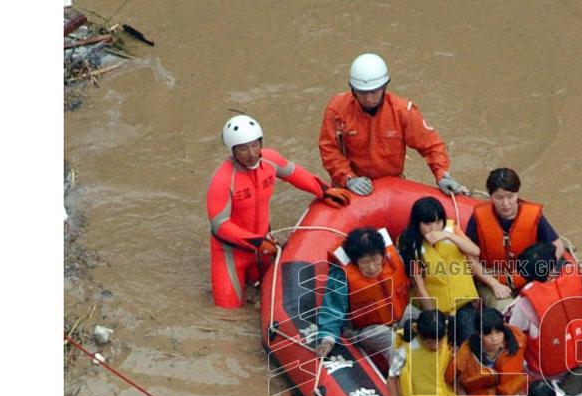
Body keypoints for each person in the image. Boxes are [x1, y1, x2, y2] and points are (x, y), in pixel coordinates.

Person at [206, 114, 349, 308]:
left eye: (255, 145)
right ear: (233, 151)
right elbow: (220, 225)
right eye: (243, 149)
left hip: (265, 244)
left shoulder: (270, 160)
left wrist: (324, 191)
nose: (251, 153)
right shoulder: (222, 180)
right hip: (231, 253)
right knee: (227, 311)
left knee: (276, 298)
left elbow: (294, 173)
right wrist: (257, 243)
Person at [318, 53, 465, 197]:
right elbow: (329, 148)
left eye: (374, 92)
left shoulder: (402, 112)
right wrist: (348, 178)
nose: (368, 98)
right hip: (351, 185)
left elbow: (432, 145)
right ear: (353, 89)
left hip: (392, 188)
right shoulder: (337, 110)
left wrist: (441, 174)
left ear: (384, 87)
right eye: (362, 92)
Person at [506, 242, 582, 396]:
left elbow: (512, 339)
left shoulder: (524, 304)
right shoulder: (573, 289)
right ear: (551, 270)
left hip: (548, 375)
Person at [466, 168, 565, 311]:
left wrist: (541, 271)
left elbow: (558, 246)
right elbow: (470, 258)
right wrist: (494, 284)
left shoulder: (533, 216)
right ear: (491, 196)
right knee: (508, 309)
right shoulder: (478, 218)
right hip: (493, 280)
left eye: (510, 196)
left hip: (529, 276)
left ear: (517, 193)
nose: (506, 203)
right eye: (499, 198)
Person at [315, 227, 416, 358]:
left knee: (430, 323)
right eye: (365, 262)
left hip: (401, 315)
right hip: (367, 329)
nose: (372, 267)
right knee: (394, 345)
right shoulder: (341, 275)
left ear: (383, 255)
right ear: (355, 262)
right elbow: (333, 308)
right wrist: (327, 339)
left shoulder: (394, 257)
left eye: (375, 259)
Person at [396, 196, 481, 347]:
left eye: (438, 222)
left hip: (463, 304)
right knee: (438, 344)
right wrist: (436, 319)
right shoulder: (410, 245)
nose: (434, 228)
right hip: (436, 309)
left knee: (469, 342)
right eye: (428, 224)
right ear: (417, 224)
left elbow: (475, 250)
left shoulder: (452, 230)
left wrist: (448, 235)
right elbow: (420, 288)